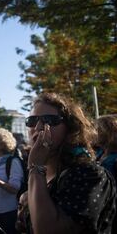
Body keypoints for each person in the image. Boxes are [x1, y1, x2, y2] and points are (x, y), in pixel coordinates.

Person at [26, 92, 116, 233]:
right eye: (31, 121)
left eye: (49, 120)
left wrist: (35, 169)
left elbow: (48, 230)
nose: (38, 127)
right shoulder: (48, 174)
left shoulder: (89, 173)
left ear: (70, 129)